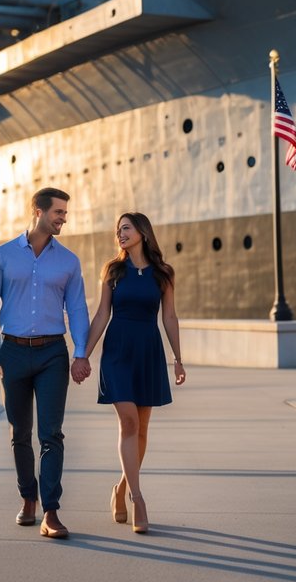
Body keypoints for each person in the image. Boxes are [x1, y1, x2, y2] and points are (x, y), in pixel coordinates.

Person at [0, 187, 92, 539]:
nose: (63, 218)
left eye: (65, 213)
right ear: (37, 211)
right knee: (19, 433)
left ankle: (51, 511)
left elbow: (78, 309)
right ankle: (28, 498)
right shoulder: (3, 255)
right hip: (11, 351)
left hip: (52, 353)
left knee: (51, 434)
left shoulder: (68, 261)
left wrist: (80, 352)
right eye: (58, 212)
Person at [82, 212, 185, 534]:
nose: (120, 234)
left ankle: (121, 487)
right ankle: (137, 498)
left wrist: (178, 359)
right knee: (128, 422)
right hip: (117, 352)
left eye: (125, 228)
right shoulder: (113, 271)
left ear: (142, 232)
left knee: (141, 430)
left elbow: (169, 317)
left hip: (148, 352)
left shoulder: (163, 274)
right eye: (118, 230)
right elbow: (101, 314)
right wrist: (82, 355)